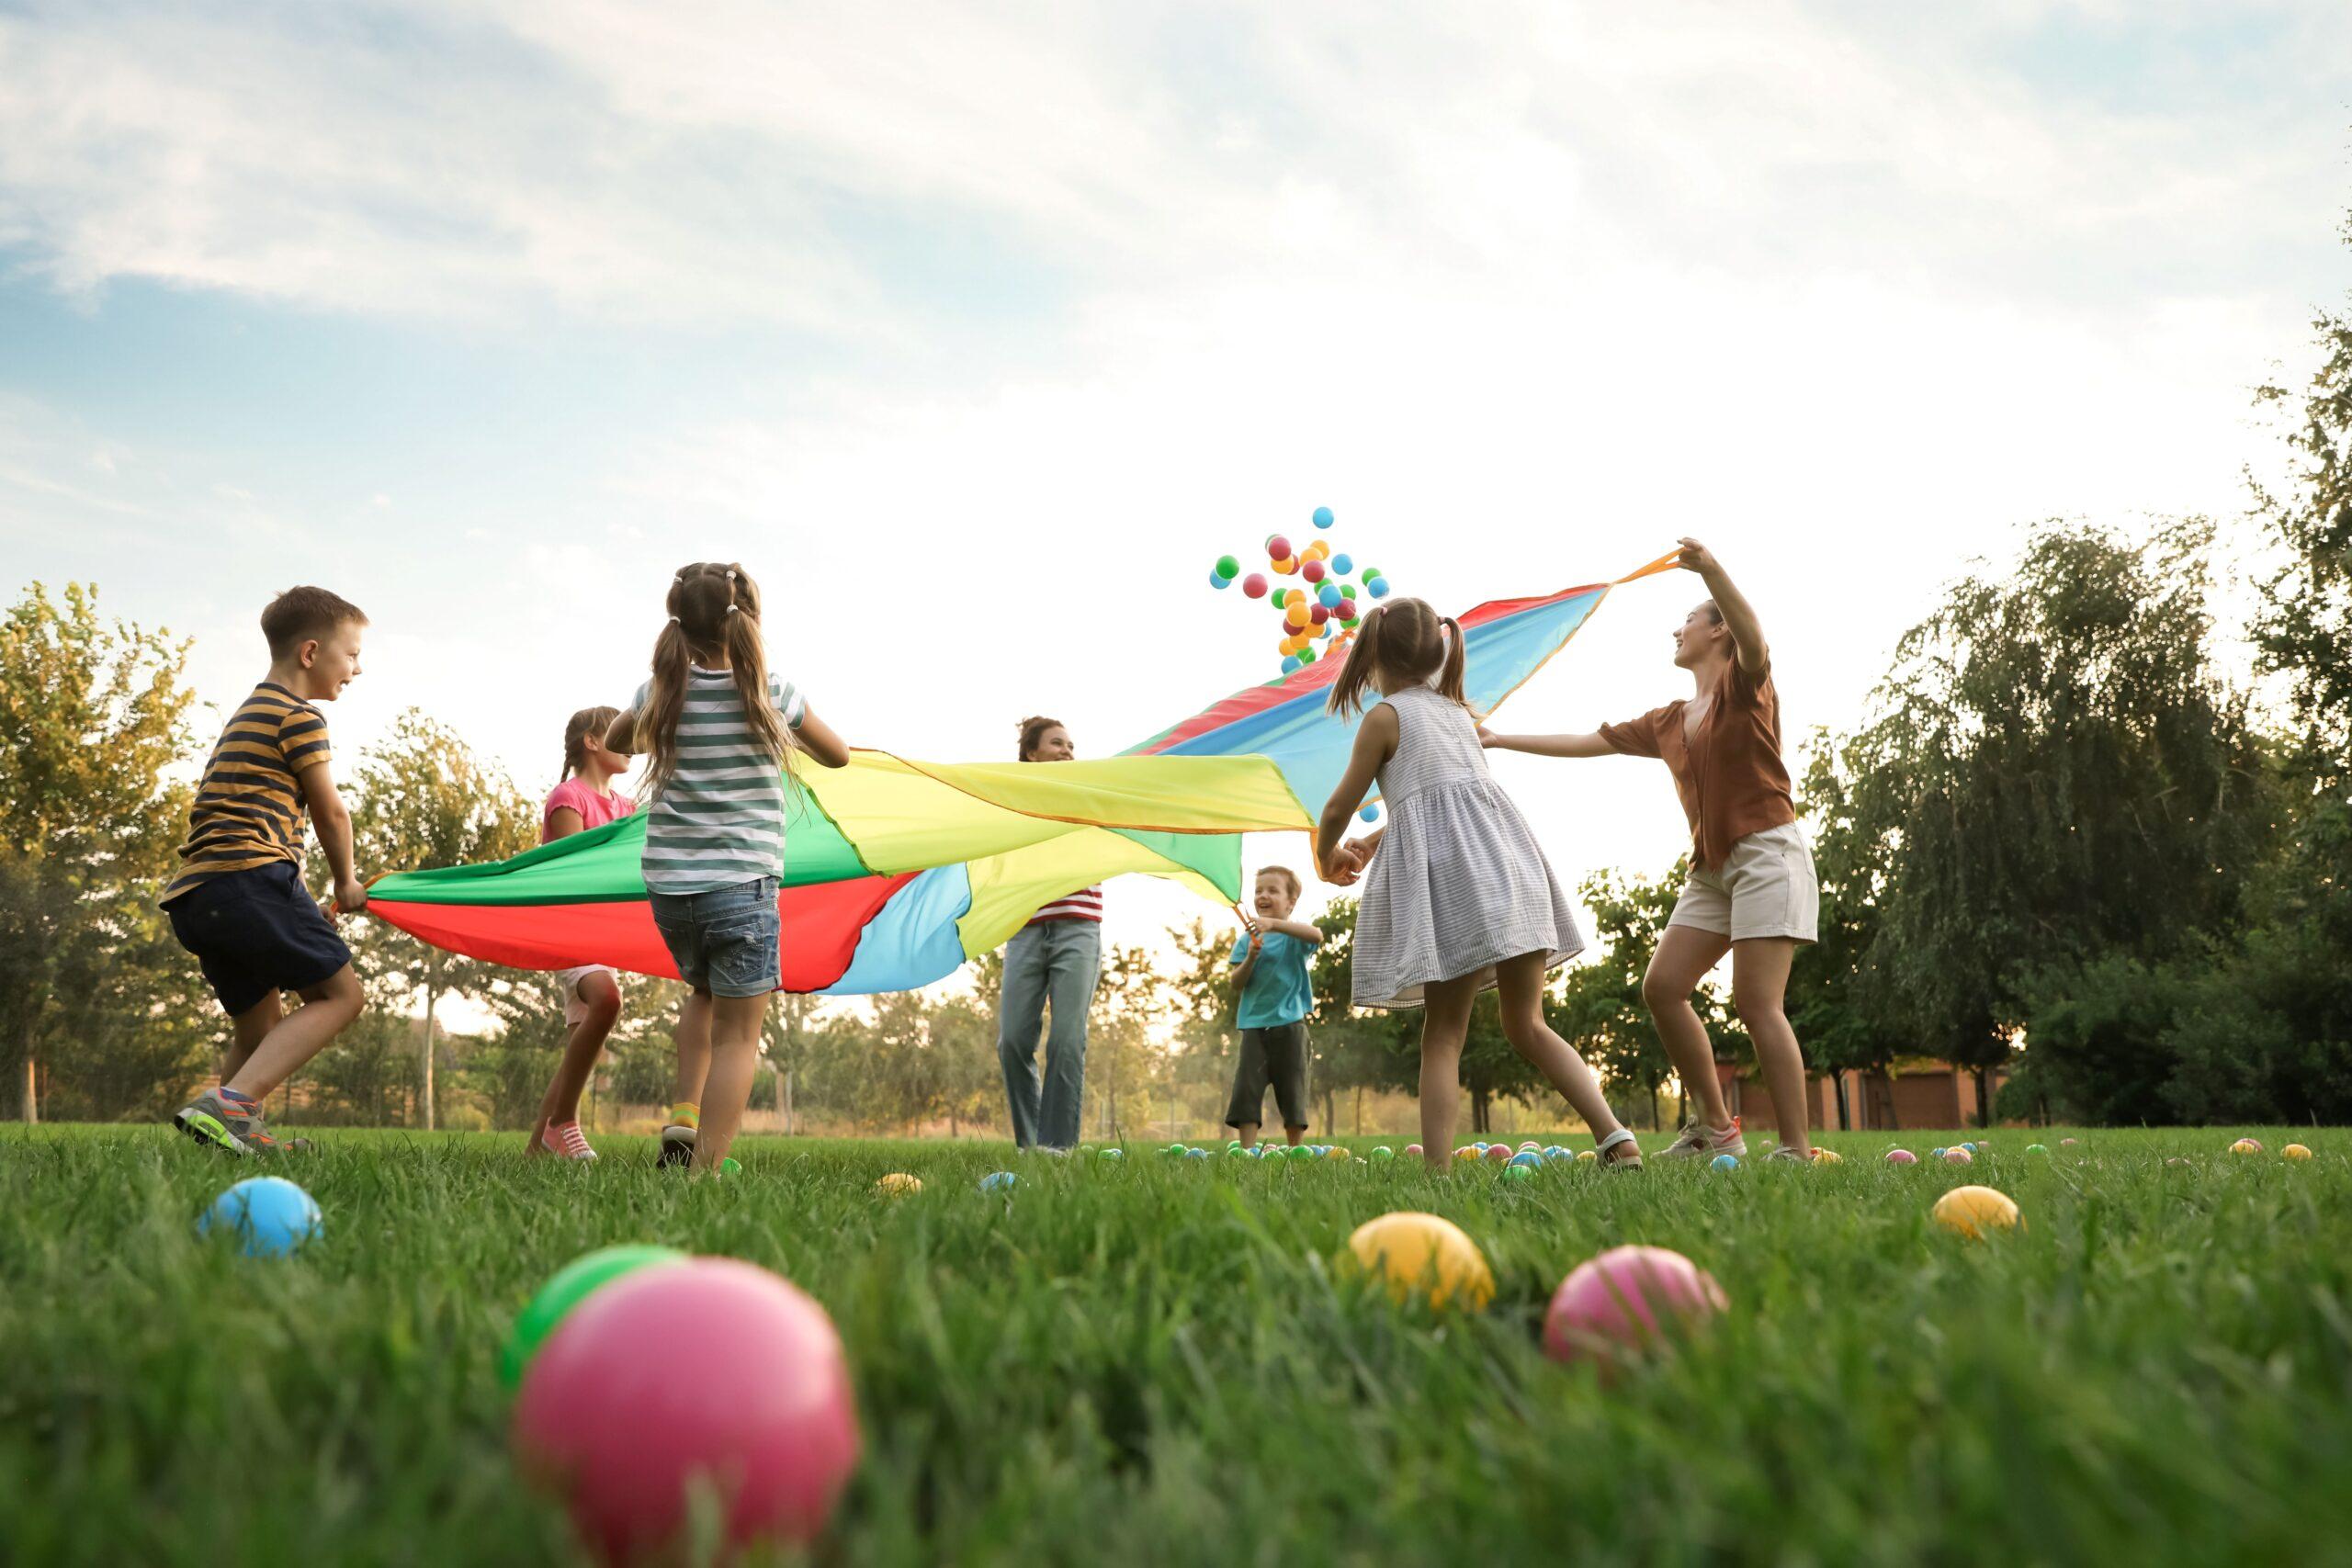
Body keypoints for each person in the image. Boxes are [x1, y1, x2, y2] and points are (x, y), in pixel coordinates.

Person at [1480, 538, 1818, 1162]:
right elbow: (1591, 739)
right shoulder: (1669, 718)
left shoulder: (1747, 685)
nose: (1677, 630)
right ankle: (1716, 1128)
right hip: (1712, 868)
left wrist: (1711, 570)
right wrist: (1500, 737)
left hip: (1768, 852)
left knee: (1755, 1001)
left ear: (1717, 632)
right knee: (1663, 987)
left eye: (1688, 621)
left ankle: (1796, 1148)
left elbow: (1756, 640)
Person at [1313, 597, 1641, 1172]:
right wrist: (1379, 839)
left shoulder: (1385, 718)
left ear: (1373, 658)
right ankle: (1616, 1138)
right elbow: (1443, 806)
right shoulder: (1457, 714)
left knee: (1443, 1034)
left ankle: (1438, 1176)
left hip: (1458, 889)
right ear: (1439, 650)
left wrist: (1326, 854)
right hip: (1512, 871)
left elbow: (1343, 803)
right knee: (1529, 1024)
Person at [604, 562, 850, 1173]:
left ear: (679, 624)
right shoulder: (771, 692)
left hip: (671, 891)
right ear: (750, 623)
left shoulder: (661, 691)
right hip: (742, 884)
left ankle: (684, 1114)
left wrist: (656, 713)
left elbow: (615, 739)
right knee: (740, 1037)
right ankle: (704, 1172)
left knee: (705, 991)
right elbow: (838, 754)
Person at [165, 586, 371, 1155]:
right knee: (341, 996)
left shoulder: (248, 712)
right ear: (310, 653)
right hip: (249, 879)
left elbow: (243, 816)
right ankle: (228, 1107)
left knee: (259, 1028)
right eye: (351, 655)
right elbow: (329, 810)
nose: (358, 668)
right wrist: (346, 881)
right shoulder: (298, 716)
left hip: (199, 894)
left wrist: (297, 896)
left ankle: (227, 1135)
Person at [523, 705, 636, 1161]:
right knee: (607, 1000)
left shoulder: (627, 808)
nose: (630, 741)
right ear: (591, 741)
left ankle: (537, 1150)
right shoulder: (568, 798)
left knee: (577, 1050)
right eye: (619, 732)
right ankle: (564, 1123)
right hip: (571, 931)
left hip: (605, 938)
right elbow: (570, 872)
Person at [995, 716, 1101, 1151]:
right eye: (1057, 744)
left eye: (1071, 745)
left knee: (1066, 1040)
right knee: (1013, 1041)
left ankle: (1057, 1149)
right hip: (1025, 930)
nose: (1068, 751)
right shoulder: (1012, 803)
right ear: (1031, 754)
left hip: (1079, 928)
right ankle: (1030, 1143)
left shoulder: (1091, 795)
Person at [1226, 866, 1321, 1151]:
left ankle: (1296, 1149)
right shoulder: (1246, 940)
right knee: (1247, 1090)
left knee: (1293, 1091)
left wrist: (1273, 925)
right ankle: (1247, 1151)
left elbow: (1316, 935)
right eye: (1258, 891)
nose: (1263, 896)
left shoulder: (1294, 937)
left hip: (1290, 1027)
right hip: (1254, 1027)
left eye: (1272, 890)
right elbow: (1236, 982)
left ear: (1291, 903)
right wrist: (1251, 958)